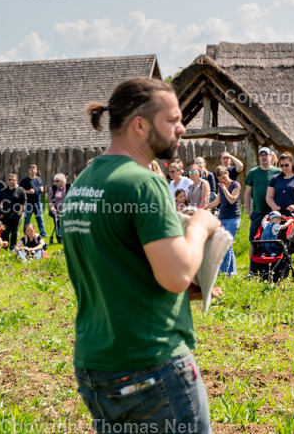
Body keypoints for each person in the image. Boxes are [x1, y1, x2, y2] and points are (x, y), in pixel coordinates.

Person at [66, 77, 221, 434]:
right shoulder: (143, 183)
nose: (181, 129)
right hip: (151, 365)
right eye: (172, 120)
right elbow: (177, 275)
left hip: (97, 364)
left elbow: (116, 267)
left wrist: (180, 295)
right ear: (140, 124)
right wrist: (199, 226)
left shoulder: (84, 183)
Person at [207, 166, 240, 275]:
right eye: (220, 179)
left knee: (226, 244)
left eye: (223, 177)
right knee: (225, 244)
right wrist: (206, 207)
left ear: (227, 173)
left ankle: (223, 271)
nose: (222, 180)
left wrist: (225, 188)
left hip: (233, 218)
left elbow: (232, 200)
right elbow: (217, 201)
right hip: (222, 217)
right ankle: (232, 272)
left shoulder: (235, 185)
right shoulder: (220, 187)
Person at [244, 147, 281, 240]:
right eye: (261, 155)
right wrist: (249, 211)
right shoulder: (253, 172)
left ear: (271, 157)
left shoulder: (278, 172)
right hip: (258, 213)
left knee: (274, 240)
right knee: (254, 241)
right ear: (259, 157)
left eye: (266, 155)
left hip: (274, 213)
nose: (264, 157)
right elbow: (247, 193)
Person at [0, 174, 26, 249]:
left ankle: (13, 247)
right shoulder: (3, 191)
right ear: (7, 181)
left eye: (13, 180)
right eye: (9, 179)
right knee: (5, 231)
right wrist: (0, 213)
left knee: (14, 232)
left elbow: (24, 203)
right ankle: (5, 247)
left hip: (16, 214)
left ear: (17, 181)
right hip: (5, 214)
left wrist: (20, 212)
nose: (11, 181)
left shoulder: (20, 190)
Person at [19, 164, 47, 238]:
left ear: (36, 170)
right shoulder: (24, 180)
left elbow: (41, 186)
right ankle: (25, 233)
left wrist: (42, 189)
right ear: (29, 171)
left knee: (40, 219)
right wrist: (28, 191)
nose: (33, 170)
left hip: (37, 203)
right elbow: (19, 190)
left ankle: (43, 233)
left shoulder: (38, 179)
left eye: (34, 169)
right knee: (27, 219)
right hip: (28, 203)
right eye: (31, 169)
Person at [49, 174, 71, 244]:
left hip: (67, 210)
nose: (55, 183)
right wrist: (52, 207)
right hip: (57, 210)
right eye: (54, 181)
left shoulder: (69, 187)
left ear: (63, 181)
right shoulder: (53, 188)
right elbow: (50, 200)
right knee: (57, 224)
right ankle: (59, 238)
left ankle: (68, 238)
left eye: (57, 181)